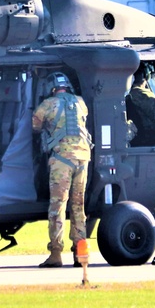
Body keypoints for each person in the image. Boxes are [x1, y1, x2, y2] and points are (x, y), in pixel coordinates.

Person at [32, 72, 93, 267]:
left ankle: (56, 253)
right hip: (83, 158)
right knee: (78, 206)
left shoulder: (48, 104)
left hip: (62, 159)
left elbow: (35, 125)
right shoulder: (81, 102)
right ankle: (80, 254)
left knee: (58, 206)